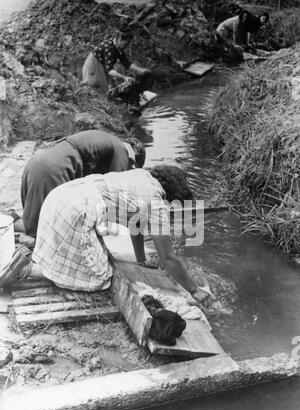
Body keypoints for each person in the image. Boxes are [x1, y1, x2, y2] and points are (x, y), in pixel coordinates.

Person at [0, 167, 213, 307]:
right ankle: (28, 269)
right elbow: (168, 259)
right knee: (99, 277)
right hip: (77, 210)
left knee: (74, 255)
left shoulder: (140, 176)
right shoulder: (157, 203)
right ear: (172, 198)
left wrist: (141, 260)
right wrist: (194, 290)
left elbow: (136, 225)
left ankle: (25, 260)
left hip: (57, 198)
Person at [11, 130, 146, 237]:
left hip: (37, 163)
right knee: (48, 231)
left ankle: (9, 220)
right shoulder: (122, 151)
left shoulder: (108, 143)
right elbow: (114, 193)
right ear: (134, 161)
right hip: (52, 172)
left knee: (35, 221)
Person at [82, 30, 153, 106]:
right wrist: (124, 77)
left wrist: (141, 70)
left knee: (104, 92)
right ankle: (93, 107)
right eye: (126, 44)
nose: (127, 46)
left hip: (101, 68)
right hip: (93, 68)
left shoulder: (117, 48)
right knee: (97, 91)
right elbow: (109, 70)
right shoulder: (109, 47)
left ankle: (111, 104)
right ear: (120, 39)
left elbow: (127, 64)